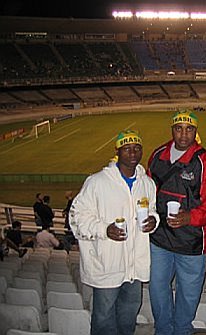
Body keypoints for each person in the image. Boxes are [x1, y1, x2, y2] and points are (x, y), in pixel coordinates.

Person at [70, 130, 160, 335]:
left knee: (128, 317)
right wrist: (104, 229)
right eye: (127, 148)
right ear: (117, 151)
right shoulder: (97, 182)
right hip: (107, 265)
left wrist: (154, 220)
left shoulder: (147, 183)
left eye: (137, 148)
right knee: (103, 319)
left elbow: (153, 210)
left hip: (134, 268)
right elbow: (77, 218)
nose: (133, 153)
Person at [146, 110, 206, 335]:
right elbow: (148, 192)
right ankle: (163, 330)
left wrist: (190, 217)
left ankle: (181, 330)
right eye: (179, 128)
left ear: (195, 132)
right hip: (159, 239)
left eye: (189, 129)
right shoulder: (157, 155)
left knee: (188, 293)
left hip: (191, 242)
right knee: (158, 288)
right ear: (172, 130)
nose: (183, 134)